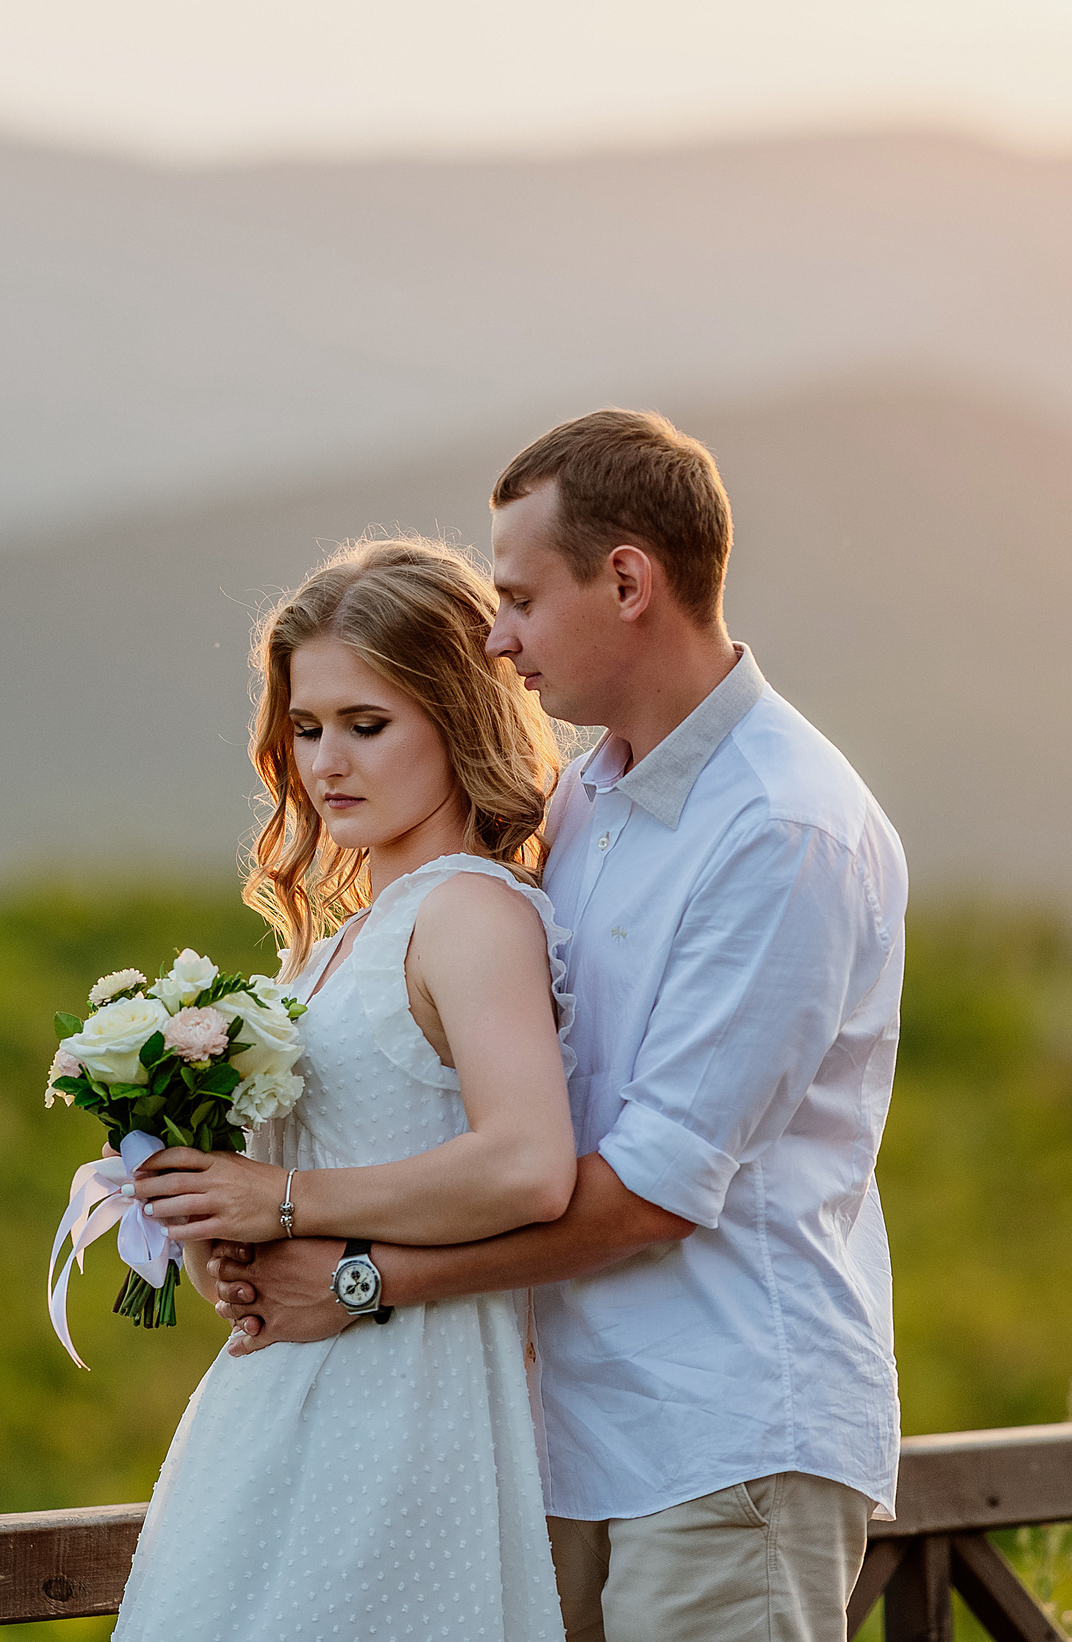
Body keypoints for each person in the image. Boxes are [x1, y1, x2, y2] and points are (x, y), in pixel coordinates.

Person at [192, 410, 910, 1642]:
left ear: (627, 580)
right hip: (559, 1428)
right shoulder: (590, 798)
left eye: (518, 597)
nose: (495, 634)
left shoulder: (779, 830)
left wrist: (356, 1278)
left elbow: (653, 1191)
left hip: (721, 1432)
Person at [108, 537, 579, 1642]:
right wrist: (201, 1214)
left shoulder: (467, 913)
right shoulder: (334, 942)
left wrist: (281, 1207)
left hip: (407, 1398)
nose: (328, 763)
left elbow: (526, 1163)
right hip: (281, 1399)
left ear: (458, 716)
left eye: (367, 725)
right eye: (307, 728)